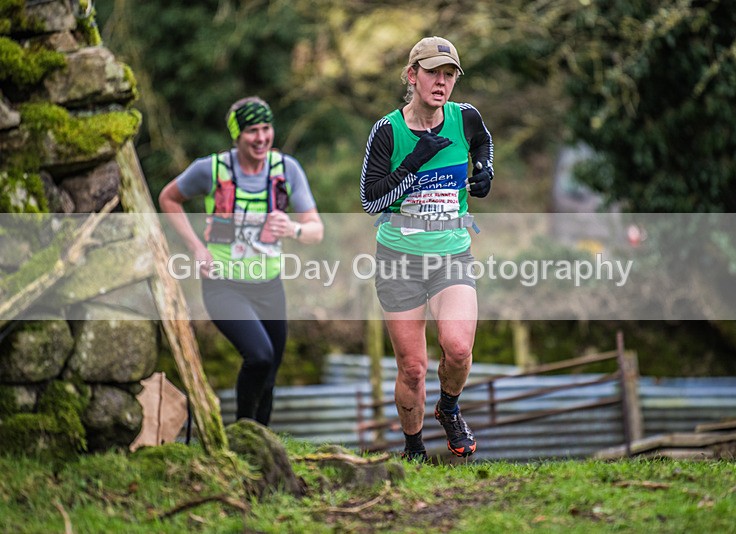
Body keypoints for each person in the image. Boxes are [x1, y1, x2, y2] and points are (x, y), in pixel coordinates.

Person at [359, 36, 494, 460]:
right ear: (412, 75)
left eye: (449, 74)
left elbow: (483, 145)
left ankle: (449, 407)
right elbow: (370, 201)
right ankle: (414, 448)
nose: (442, 82)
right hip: (398, 257)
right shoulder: (388, 130)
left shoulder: (465, 117)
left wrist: (485, 170)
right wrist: (413, 161)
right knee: (412, 368)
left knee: (458, 349)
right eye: (433, 72)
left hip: (451, 250)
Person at [159, 96, 323, 427]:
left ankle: (259, 447)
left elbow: (316, 229)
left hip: (269, 287)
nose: (261, 138)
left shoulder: (286, 169)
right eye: (252, 131)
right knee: (259, 357)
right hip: (223, 285)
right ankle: (242, 432)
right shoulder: (212, 169)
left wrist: (293, 228)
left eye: (266, 128)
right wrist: (195, 247)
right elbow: (168, 198)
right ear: (237, 135)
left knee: (271, 372)